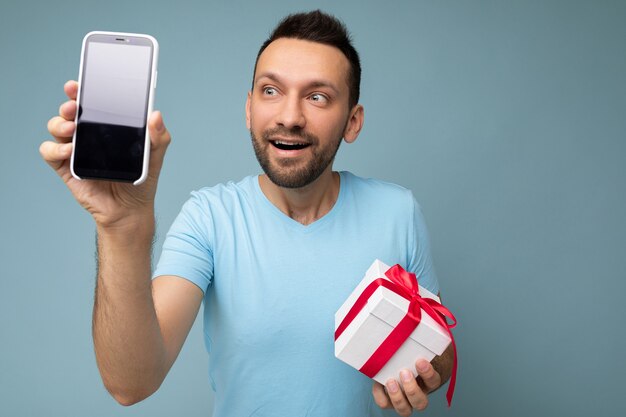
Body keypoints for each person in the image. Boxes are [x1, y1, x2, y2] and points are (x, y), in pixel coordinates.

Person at [40, 10, 454, 417]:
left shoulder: (397, 211)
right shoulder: (209, 217)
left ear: (353, 121)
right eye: (270, 91)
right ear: (249, 109)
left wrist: (425, 372)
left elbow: (441, 352)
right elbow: (131, 384)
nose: (289, 117)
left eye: (317, 97)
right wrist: (120, 228)